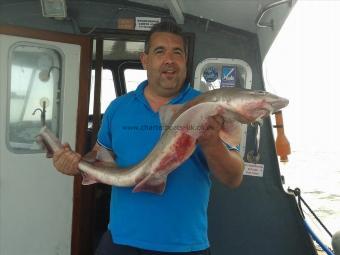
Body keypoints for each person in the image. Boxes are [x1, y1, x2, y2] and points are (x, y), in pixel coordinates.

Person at [53, 21, 244, 255]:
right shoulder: (118, 108)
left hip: (182, 245)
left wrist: (210, 141)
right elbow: (98, 158)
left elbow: (234, 178)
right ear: (145, 60)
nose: (169, 59)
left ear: (185, 61)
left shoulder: (209, 108)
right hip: (120, 239)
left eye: (177, 52)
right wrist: (75, 165)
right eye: (159, 51)